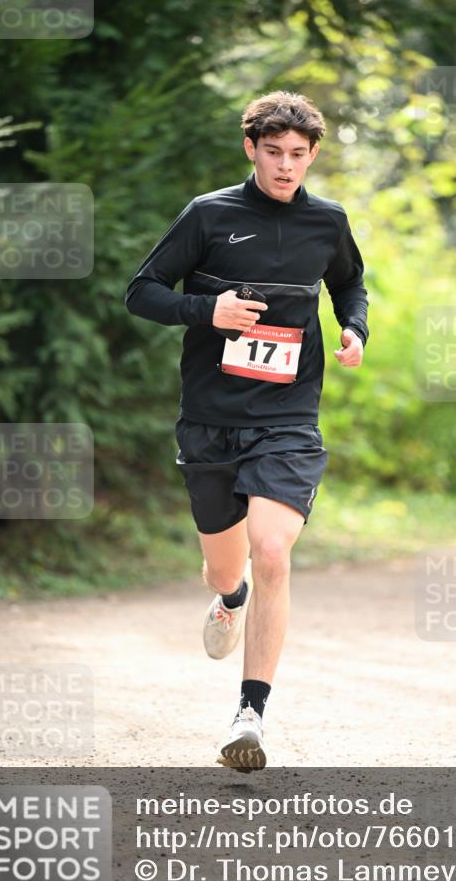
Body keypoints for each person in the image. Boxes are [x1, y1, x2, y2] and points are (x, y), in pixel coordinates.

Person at [124, 91, 368, 771]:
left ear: (312, 155)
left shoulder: (327, 221)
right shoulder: (209, 215)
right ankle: (228, 598)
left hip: (288, 418)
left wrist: (353, 328)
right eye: (273, 153)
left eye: (298, 155)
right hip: (209, 420)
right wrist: (209, 311)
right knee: (226, 566)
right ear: (250, 150)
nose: (285, 167)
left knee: (271, 553)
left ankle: (250, 713)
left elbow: (349, 286)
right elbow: (141, 291)